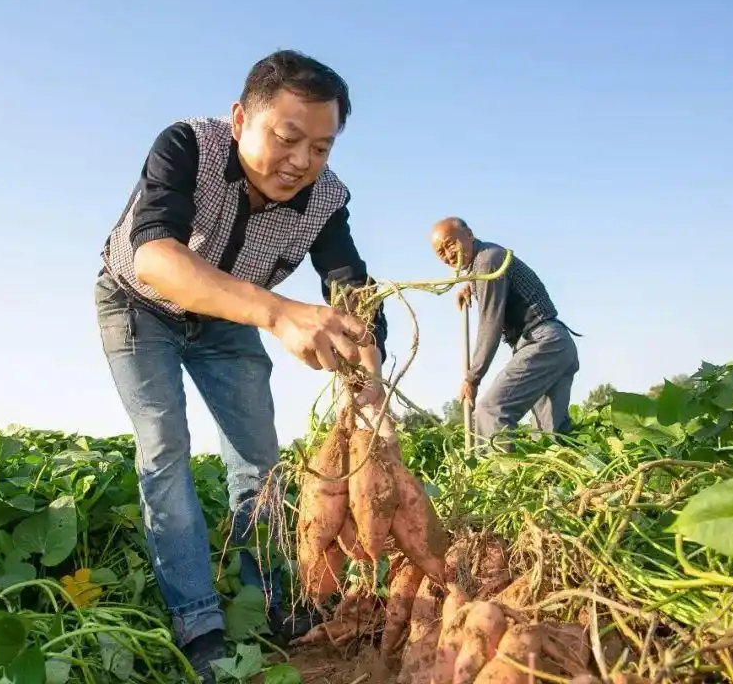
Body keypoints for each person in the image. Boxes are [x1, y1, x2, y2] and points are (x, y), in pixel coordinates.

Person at [94, 49, 389, 682]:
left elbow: (349, 286)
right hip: (139, 307)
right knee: (165, 452)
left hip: (231, 321)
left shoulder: (326, 198)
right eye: (288, 138)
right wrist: (281, 314)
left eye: (322, 147)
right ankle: (198, 623)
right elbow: (154, 258)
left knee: (260, 462)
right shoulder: (186, 147)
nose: (302, 162)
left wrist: (368, 382)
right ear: (239, 118)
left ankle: (277, 604)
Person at [430, 217, 580, 448]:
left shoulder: (488, 262)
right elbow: (489, 279)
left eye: (450, 244)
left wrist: (473, 377)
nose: (448, 255)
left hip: (542, 343)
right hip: (557, 344)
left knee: (490, 411)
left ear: (469, 234)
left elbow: (490, 322)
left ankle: (497, 480)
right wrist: (470, 286)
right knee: (551, 438)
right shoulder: (483, 263)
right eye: (441, 252)